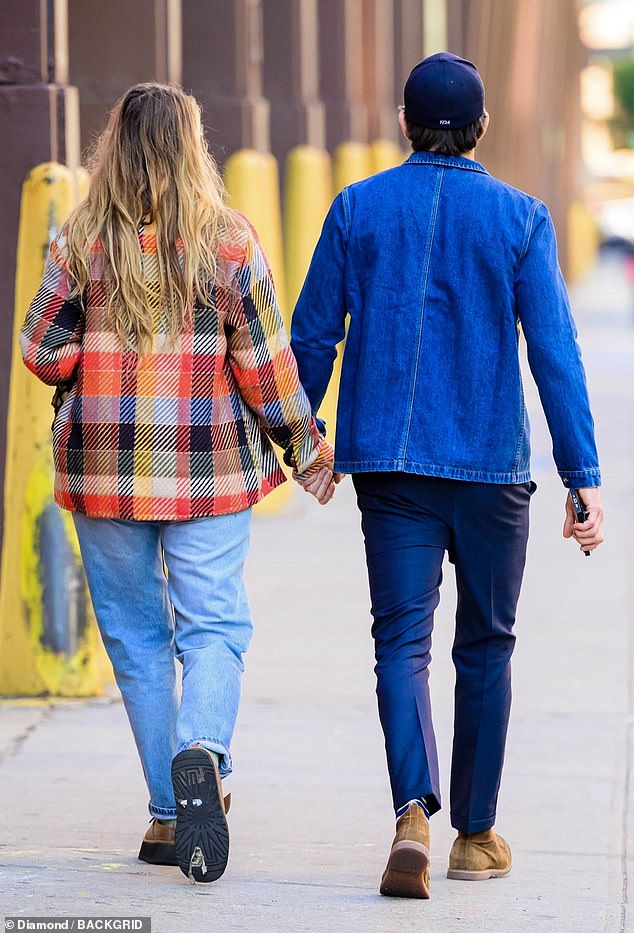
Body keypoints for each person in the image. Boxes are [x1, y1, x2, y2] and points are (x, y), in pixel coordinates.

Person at [290, 52, 604, 899]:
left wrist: (301, 437)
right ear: (482, 130)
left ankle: (409, 814)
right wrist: (582, 473)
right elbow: (554, 356)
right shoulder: (521, 218)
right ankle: (474, 831)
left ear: (402, 124)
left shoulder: (357, 209)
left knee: (401, 641)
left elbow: (312, 337)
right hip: (491, 467)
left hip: (389, 466)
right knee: (487, 644)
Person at [20, 82, 335, 885]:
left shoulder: (80, 237)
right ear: (194, 148)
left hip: (104, 472)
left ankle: (168, 809)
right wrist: (305, 447)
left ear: (114, 148)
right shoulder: (228, 241)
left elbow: (39, 350)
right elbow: (264, 364)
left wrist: (92, 357)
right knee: (214, 626)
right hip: (205, 473)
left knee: (136, 639)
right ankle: (204, 748)